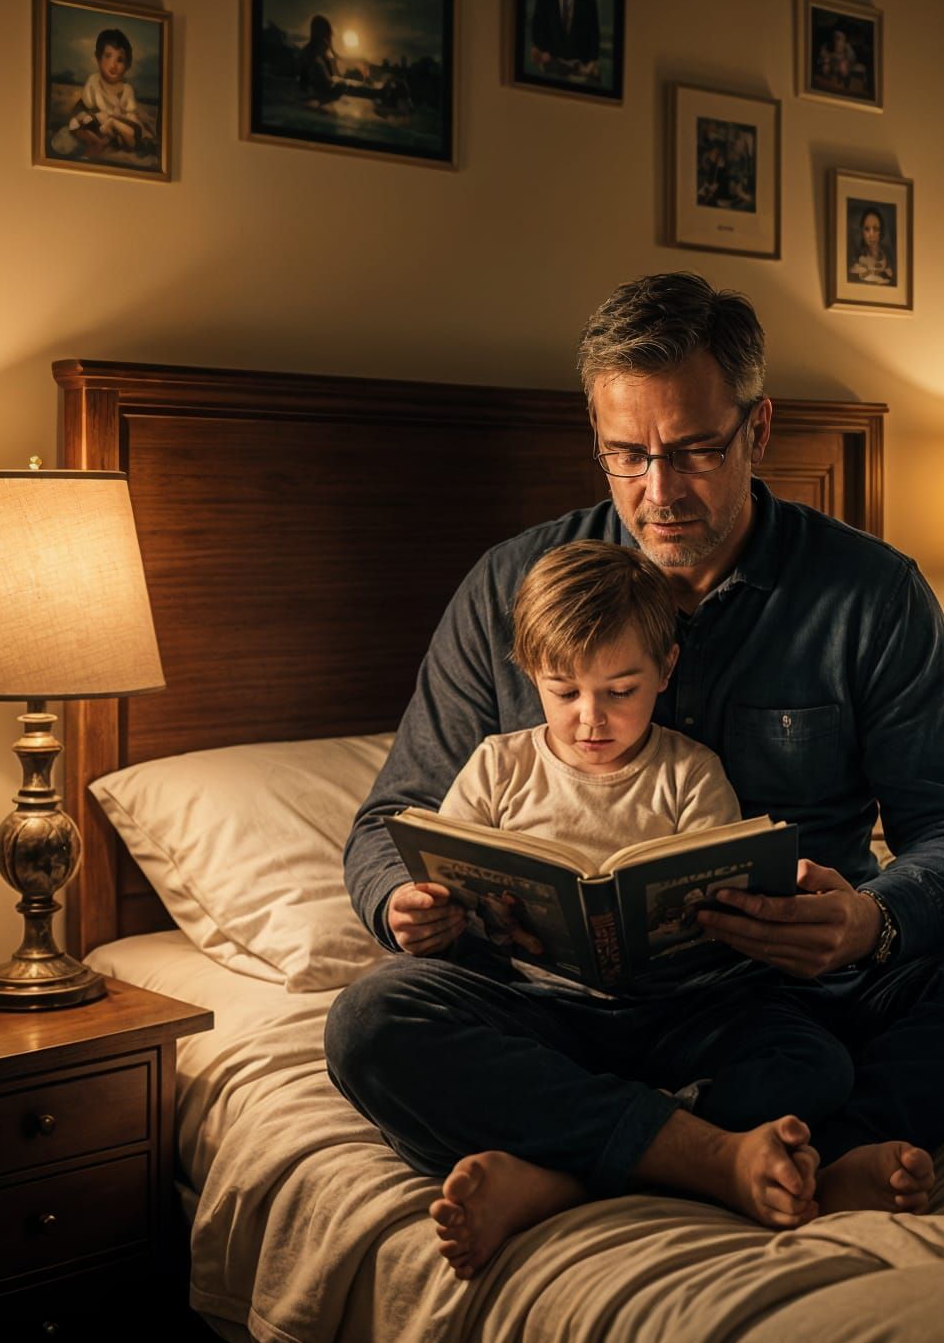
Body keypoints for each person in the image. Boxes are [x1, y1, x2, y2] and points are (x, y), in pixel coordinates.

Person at [329, 271, 944, 1278]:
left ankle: (593, 1161)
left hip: (775, 996)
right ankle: (728, 1155)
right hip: (548, 1006)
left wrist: (871, 920)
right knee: (375, 1023)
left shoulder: (870, 595)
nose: (658, 489)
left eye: (692, 450)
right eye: (626, 455)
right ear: (595, 438)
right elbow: (393, 818)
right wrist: (403, 907)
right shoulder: (511, 587)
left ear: (758, 427)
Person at [340, 538, 858, 1277]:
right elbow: (445, 879)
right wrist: (425, 915)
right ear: (530, 676)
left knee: (815, 1062)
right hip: (537, 1013)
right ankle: (695, 1148)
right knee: (369, 1021)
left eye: (621, 690)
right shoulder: (495, 767)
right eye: (564, 691)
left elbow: (717, 910)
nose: (591, 718)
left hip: (673, 1011)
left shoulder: (690, 773)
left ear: (665, 671)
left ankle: (558, 1175)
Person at [67, 27, 153, 151]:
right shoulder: (94, 81)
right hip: (97, 122)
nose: (113, 65)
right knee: (83, 121)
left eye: (120, 60)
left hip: (118, 125)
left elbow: (130, 114)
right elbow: (88, 104)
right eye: (108, 56)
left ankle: (113, 137)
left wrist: (120, 117)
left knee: (132, 129)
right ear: (98, 58)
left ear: (127, 64)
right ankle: (98, 141)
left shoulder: (127, 89)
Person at [848, 206, 893, 285]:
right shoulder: (856, 257)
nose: (871, 234)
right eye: (867, 229)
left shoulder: (888, 254)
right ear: (862, 231)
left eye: (875, 229)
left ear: (881, 231)